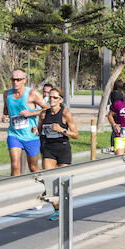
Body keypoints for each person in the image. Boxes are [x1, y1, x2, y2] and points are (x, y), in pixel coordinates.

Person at [39, 87, 79, 220]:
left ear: (61, 100)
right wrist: (35, 131)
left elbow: (76, 135)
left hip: (63, 148)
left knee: (63, 182)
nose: (51, 100)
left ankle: (65, 207)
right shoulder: (44, 114)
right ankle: (57, 209)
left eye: (55, 97)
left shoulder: (65, 113)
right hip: (49, 148)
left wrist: (62, 130)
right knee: (48, 180)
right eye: (50, 97)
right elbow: (40, 131)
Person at [2, 69, 46, 176]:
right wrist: (5, 116)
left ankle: (43, 186)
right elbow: (6, 110)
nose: (15, 82)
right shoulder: (7, 94)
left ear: (24, 80)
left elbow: (47, 109)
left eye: (18, 79)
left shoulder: (32, 93)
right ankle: (15, 191)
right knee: (15, 165)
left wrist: (31, 113)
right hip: (14, 134)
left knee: (33, 167)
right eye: (13, 79)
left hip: (31, 135)